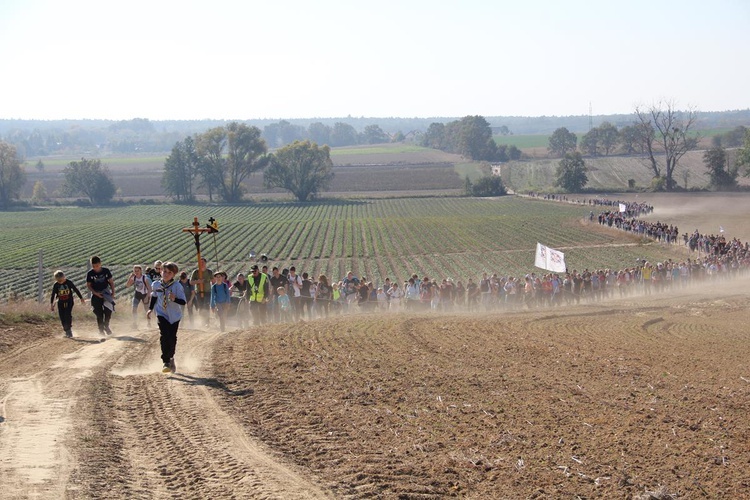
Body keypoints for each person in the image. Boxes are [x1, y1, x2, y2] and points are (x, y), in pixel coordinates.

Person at [146, 261, 186, 373]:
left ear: (174, 274)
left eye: (169, 272)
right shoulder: (156, 285)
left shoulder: (177, 286)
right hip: (161, 313)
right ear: (160, 272)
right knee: (164, 335)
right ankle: (165, 361)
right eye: (164, 271)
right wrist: (150, 309)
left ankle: (171, 357)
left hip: (174, 316)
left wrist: (174, 299)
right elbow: (154, 296)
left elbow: (183, 302)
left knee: (172, 337)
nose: (166, 274)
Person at [49, 270, 85, 338]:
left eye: (61, 280)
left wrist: (81, 298)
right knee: (62, 316)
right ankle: (66, 330)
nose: (60, 282)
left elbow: (75, 290)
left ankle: (69, 331)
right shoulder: (56, 285)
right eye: (58, 281)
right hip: (60, 302)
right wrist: (51, 304)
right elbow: (53, 294)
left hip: (69, 301)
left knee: (67, 315)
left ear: (64, 277)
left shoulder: (69, 282)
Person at [86, 255, 115, 336]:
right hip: (96, 294)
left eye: (97, 266)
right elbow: (88, 285)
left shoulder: (106, 271)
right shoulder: (90, 273)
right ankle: (101, 330)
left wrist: (113, 292)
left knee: (108, 310)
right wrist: (95, 293)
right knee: (99, 313)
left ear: (100, 264)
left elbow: (111, 282)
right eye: (94, 266)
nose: (96, 268)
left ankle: (106, 325)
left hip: (106, 293)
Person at [126, 264, 152, 329]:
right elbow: (128, 285)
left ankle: (149, 323)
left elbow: (149, 288)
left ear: (141, 271)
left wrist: (147, 297)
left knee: (147, 310)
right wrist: (130, 277)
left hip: (144, 294)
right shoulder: (134, 277)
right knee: (134, 308)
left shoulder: (144, 278)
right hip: (137, 293)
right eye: (135, 271)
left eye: (137, 271)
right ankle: (135, 323)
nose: (136, 272)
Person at [190, 258, 213, 328]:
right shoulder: (196, 272)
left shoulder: (209, 272)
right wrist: (198, 281)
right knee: (201, 307)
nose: (201, 264)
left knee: (206, 306)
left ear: (205, 263)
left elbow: (213, 280)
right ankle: (202, 321)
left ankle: (207, 322)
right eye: (200, 262)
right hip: (199, 293)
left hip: (208, 292)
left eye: (203, 262)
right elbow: (191, 282)